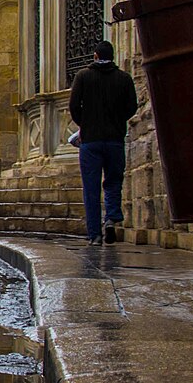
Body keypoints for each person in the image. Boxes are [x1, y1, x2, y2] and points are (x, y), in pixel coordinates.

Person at [69, 38, 139, 246]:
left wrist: (85, 124)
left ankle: (95, 235)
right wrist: (117, 122)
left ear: (95, 56)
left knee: (91, 188)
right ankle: (111, 219)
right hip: (115, 140)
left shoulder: (83, 76)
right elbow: (132, 107)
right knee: (113, 182)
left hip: (90, 141)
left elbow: (74, 106)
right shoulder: (124, 78)